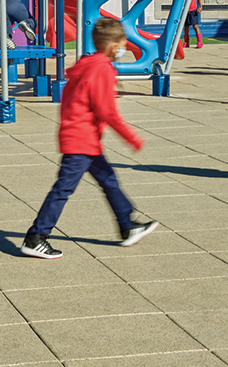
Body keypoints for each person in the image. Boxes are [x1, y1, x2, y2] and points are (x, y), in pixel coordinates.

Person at [20, 16, 158, 259]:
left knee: (108, 180)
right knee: (63, 189)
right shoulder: (102, 69)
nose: (124, 47)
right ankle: (36, 236)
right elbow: (106, 110)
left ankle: (127, 225)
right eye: (123, 42)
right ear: (114, 46)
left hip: (83, 137)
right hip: (81, 140)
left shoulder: (88, 64)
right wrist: (131, 137)